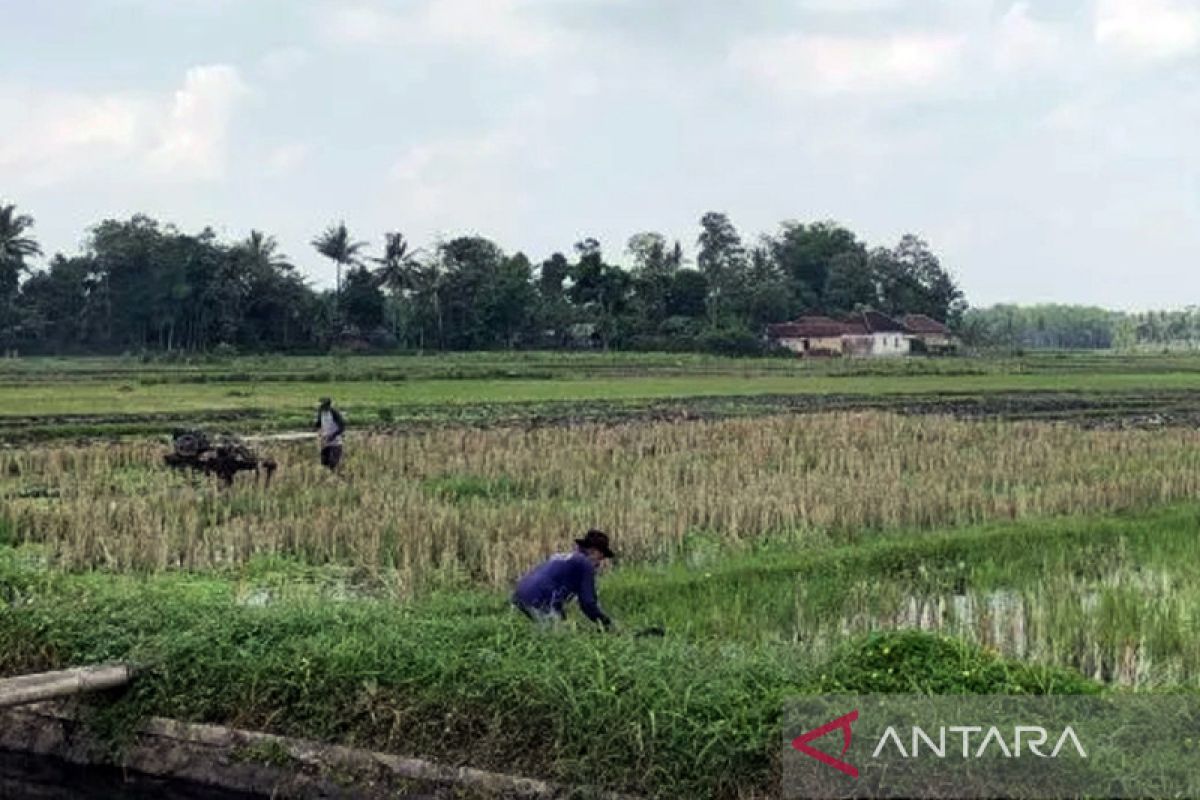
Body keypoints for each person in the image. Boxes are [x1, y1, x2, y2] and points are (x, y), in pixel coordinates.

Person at [512, 529, 615, 629]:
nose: (598, 564)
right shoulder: (585, 564)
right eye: (600, 558)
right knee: (558, 638)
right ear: (594, 551)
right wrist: (607, 624)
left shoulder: (563, 557)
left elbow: (555, 598)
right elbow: (587, 604)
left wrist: (564, 621)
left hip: (519, 595)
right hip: (537, 599)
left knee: (562, 627)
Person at [314, 397, 346, 472]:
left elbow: (342, 427)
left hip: (335, 443)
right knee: (324, 464)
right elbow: (318, 425)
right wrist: (319, 433)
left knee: (333, 464)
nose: (320, 407)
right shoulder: (321, 413)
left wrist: (332, 436)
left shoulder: (334, 413)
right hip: (325, 442)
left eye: (322, 405)